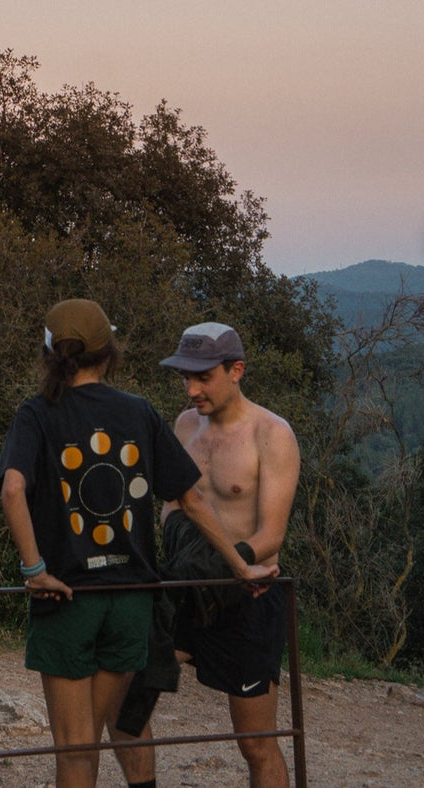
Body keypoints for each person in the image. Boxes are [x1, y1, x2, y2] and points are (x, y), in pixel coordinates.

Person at [0, 300, 275, 788]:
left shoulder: (36, 414)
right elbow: (189, 499)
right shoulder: (139, 412)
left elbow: (13, 488)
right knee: (94, 738)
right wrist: (239, 565)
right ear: (108, 353)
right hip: (129, 602)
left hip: (69, 598)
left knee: (75, 750)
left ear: (50, 354)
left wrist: (33, 568)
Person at [113, 322, 300, 788]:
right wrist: (181, 560)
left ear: (236, 370)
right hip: (182, 584)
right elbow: (173, 505)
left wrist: (218, 563)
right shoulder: (184, 424)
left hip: (247, 595)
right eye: (185, 377)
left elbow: (271, 536)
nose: (192, 389)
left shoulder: (272, 434)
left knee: (256, 741)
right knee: (127, 705)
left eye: (203, 377)